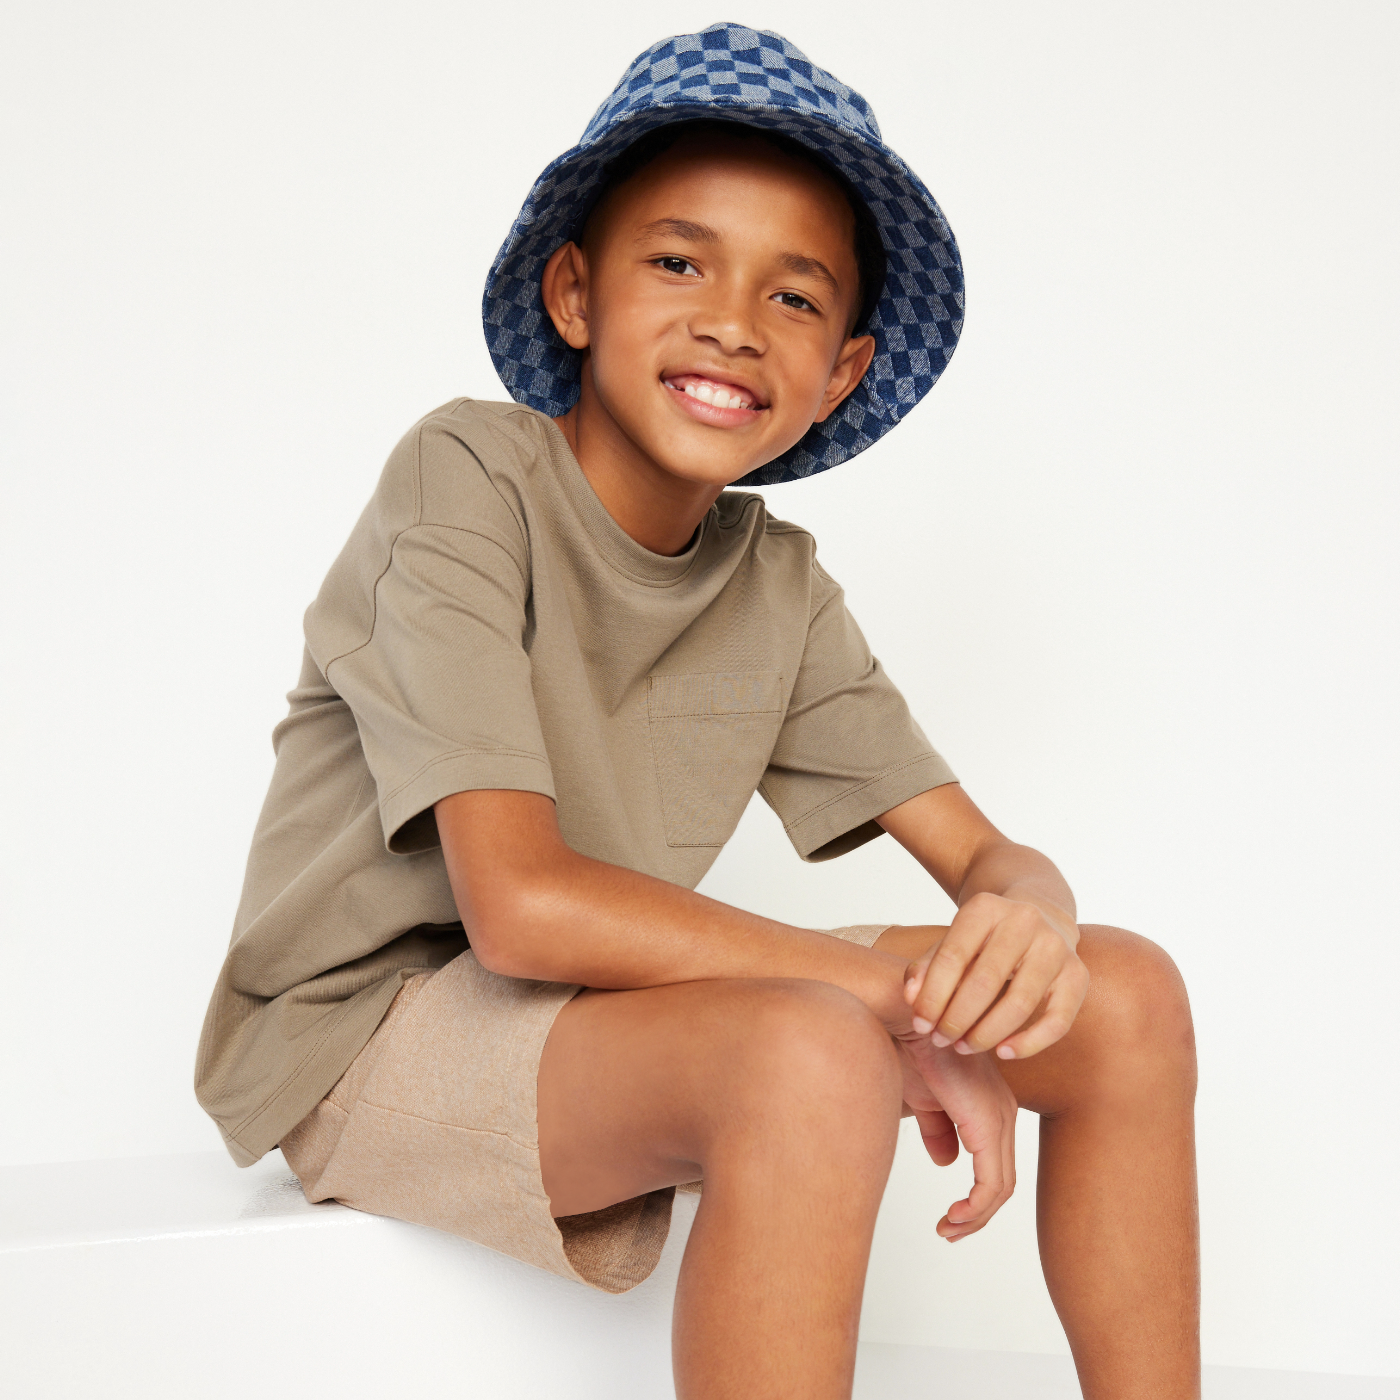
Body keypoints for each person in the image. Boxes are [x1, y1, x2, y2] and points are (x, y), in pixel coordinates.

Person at [195, 23, 1198, 1400]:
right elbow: (522, 908)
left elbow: (983, 858)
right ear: (574, 293)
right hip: (368, 1032)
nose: (732, 319)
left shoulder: (771, 580)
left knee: (1124, 992)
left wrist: (1029, 906)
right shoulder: (463, 477)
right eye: (680, 262)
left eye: (794, 299)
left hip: (580, 1011)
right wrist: (900, 1005)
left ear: (839, 372)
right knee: (808, 1051)